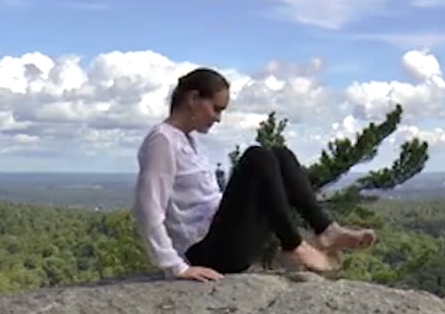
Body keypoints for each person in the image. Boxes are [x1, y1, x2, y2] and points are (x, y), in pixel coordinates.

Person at [133, 67, 376, 282]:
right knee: (257, 158)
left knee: (279, 155)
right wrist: (175, 267)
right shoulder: (162, 140)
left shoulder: (186, 140)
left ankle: (327, 231)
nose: (218, 118)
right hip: (208, 251)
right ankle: (295, 246)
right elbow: (148, 207)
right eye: (216, 108)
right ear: (193, 98)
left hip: (226, 238)